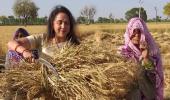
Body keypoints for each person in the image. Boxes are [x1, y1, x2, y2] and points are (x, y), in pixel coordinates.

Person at [7, 5, 80, 62]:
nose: (63, 26)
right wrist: (25, 52)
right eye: (59, 22)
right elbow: (11, 43)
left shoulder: (75, 45)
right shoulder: (42, 38)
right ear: (52, 24)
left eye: (66, 23)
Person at [118, 17, 163, 100]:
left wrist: (146, 58)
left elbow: (157, 82)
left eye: (140, 31)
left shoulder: (153, 52)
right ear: (129, 32)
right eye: (134, 31)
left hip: (149, 95)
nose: (137, 35)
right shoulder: (122, 52)